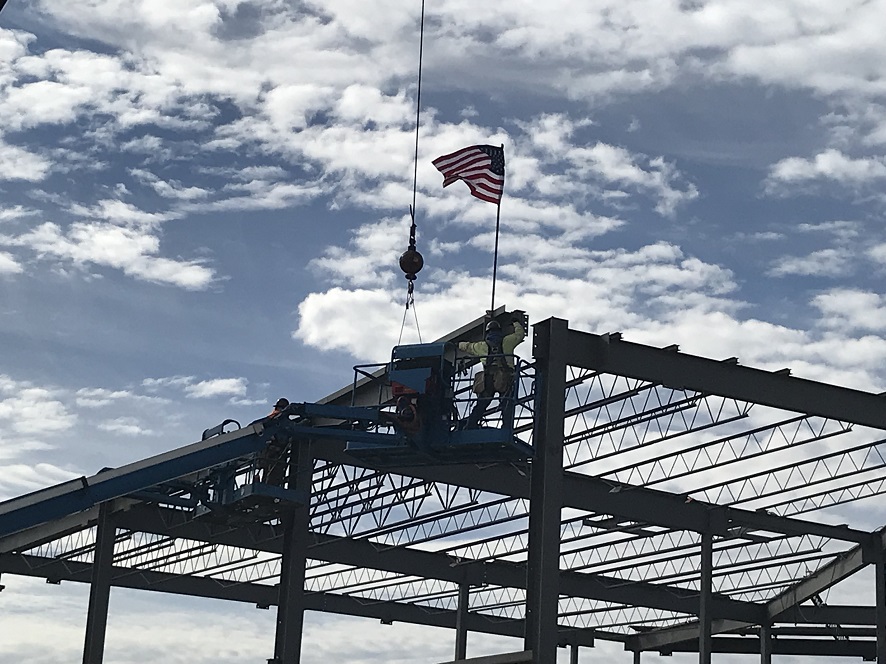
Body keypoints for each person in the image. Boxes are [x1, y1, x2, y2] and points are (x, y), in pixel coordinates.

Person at [458, 312, 526, 429]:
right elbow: (520, 335)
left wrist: (457, 344)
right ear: (500, 331)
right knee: (506, 404)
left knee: (481, 404)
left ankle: (470, 426)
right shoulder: (508, 341)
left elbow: (467, 346)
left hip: (488, 379)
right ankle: (506, 428)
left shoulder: (481, 346)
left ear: (487, 333)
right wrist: (516, 323)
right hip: (505, 378)